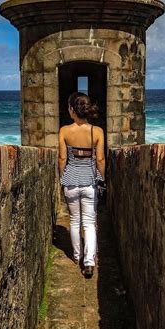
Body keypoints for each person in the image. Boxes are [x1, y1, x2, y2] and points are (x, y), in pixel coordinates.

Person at [58, 92, 105, 278]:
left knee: (75, 221)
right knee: (89, 223)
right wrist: (103, 178)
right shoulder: (97, 131)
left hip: (70, 181)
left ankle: (77, 256)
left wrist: (61, 177)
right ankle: (89, 262)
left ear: (72, 109)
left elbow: (62, 158)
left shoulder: (64, 131)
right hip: (89, 182)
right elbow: (100, 159)